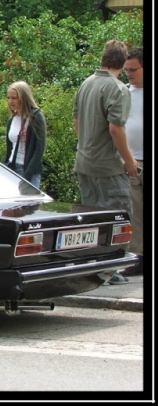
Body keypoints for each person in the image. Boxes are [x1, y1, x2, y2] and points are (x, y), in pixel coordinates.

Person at [73, 40, 139, 285]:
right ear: (122, 63)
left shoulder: (85, 84)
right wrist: (129, 161)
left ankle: (93, 268)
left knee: (92, 220)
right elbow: (115, 128)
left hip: (84, 162)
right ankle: (109, 271)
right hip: (108, 166)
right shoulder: (117, 88)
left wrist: (86, 147)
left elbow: (77, 121)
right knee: (118, 218)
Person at [122, 47, 144, 276]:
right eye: (126, 70)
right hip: (132, 161)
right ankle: (138, 257)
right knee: (135, 212)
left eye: (133, 69)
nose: (129, 73)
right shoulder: (124, 93)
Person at [4, 81, 47, 188]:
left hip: (28, 170)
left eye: (14, 98)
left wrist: (27, 175)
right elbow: (9, 148)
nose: (10, 101)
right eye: (8, 98)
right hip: (13, 167)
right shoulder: (12, 119)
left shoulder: (35, 117)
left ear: (23, 98)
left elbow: (39, 149)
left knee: (28, 204)